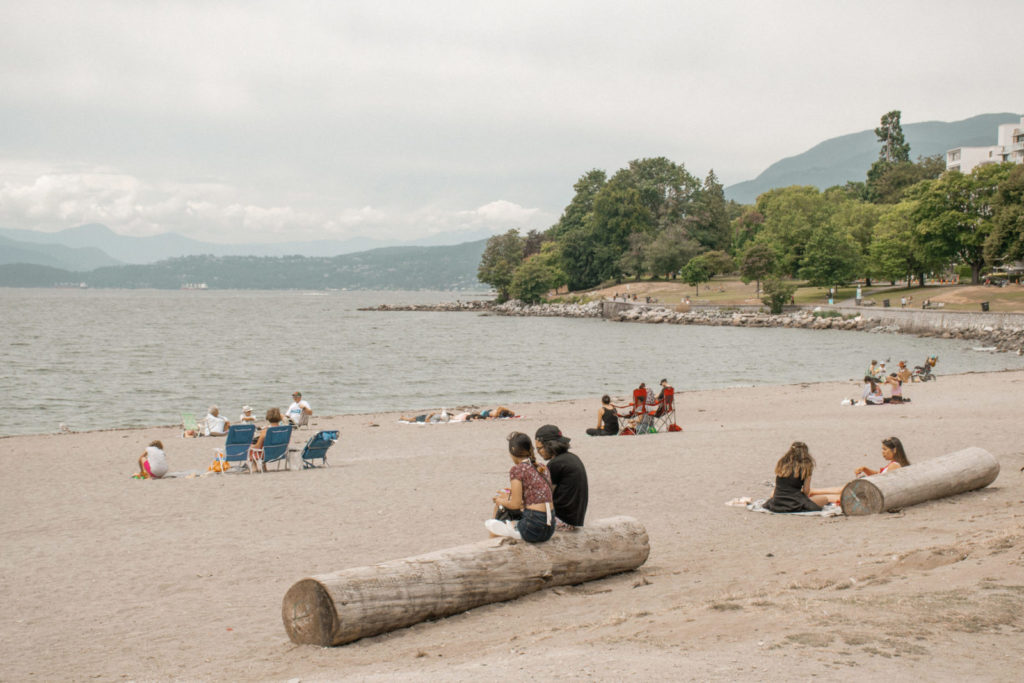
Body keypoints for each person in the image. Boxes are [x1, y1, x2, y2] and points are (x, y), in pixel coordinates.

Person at [484, 432, 555, 543]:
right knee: (505, 502)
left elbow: (515, 505)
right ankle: (507, 529)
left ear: (512, 451)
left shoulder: (517, 470)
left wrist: (499, 500)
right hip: (549, 528)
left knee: (500, 508)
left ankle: (491, 543)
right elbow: (537, 498)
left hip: (532, 528)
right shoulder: (542, 467)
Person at [810, 437, 910, 502]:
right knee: (846, 488)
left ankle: (814, 492)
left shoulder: (894, 466)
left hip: (876, 496)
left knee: (844, 491)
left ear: (895, 450)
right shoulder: (896, 464)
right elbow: (880, 475)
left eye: (884, 449)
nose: (882, 452)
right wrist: (865, 469)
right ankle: (814, 492)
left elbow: (882, 482)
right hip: (877, 492)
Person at [535, 424, 588, 529]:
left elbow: (545, 496)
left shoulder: (555, 464)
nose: (538, 452)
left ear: (548, 446)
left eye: (539, 448)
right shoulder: (571, 458)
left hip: (562, 519)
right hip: (574, 518)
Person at [762, 441, 827, 512]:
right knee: (824, 499)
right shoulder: (806, 466)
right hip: (794, 503)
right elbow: (806, 491)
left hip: (777, 502)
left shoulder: (782, 463)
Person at [250, 407, 285, 472]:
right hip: (280, 453)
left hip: (266, 455)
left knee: (251, 447)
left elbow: (257, 446)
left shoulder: (265, 431)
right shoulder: (284, 429)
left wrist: (250, 446)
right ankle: (264, 466)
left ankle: (254, 467)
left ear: (268, 417)